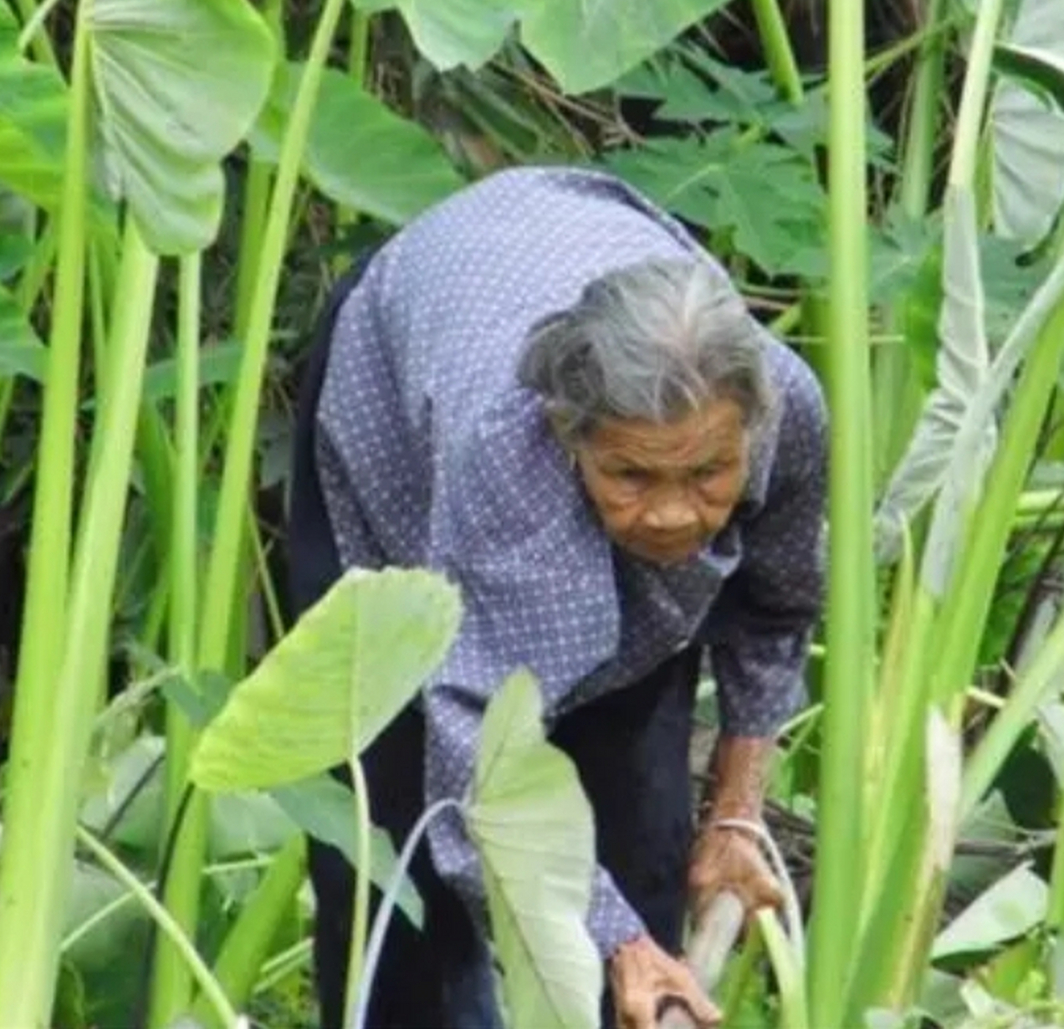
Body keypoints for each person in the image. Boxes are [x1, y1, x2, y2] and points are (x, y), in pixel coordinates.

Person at [284, 165, 828, 1029]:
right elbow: (481, 775)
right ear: (568, 434)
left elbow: (776, 607)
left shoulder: (784, 406)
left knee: (638, 868)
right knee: (403, 863)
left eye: (706, 473)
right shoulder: (508, 451)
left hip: (557, 251)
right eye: (631, 474)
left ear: (749, 427)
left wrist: (733, 816)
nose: (673, 514)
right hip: (400, 383)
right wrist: (612, 943)